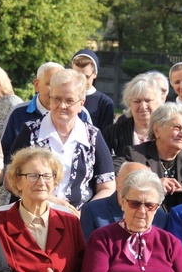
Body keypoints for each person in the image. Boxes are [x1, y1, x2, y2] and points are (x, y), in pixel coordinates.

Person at [9, 68, 116, 213]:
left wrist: (85, 213)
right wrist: (51, 201)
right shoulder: (30, 131)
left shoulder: (93, 136)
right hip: (33, 213)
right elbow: (10, 179)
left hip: (78, 219)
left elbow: (107, 186)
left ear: (81, 103)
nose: (62, 106)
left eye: (69, 100)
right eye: (57, 99)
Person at [119, 103, 182, 211]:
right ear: (157, 130)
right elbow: (123, 182)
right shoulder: (135, 155)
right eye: (177, 128)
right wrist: (155, 183)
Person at [81, 161, 168, 241]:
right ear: (117, 182)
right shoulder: (92, 210)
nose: (136, 188)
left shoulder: (160, 216)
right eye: (130, 182)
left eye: (145, 183)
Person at [1, 62, 63, 154]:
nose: (56, 91)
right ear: (37, 85)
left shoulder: (78, 113)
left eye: (61, 85)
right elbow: (6, 154)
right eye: (51, 84)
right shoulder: (18, 113)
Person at [102, 74, 163, 157]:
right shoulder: (113, 132)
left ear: (158, 102)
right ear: (129, 103)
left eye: (148, 100)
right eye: (137, 101)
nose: (143, 106)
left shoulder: (166, 131)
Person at [72, 49, 115, 131]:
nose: (81, 80)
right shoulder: (62, 97)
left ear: (95, 74)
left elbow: (105, 136)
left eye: (86, 77)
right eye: (76, 75)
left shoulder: (104, 102)